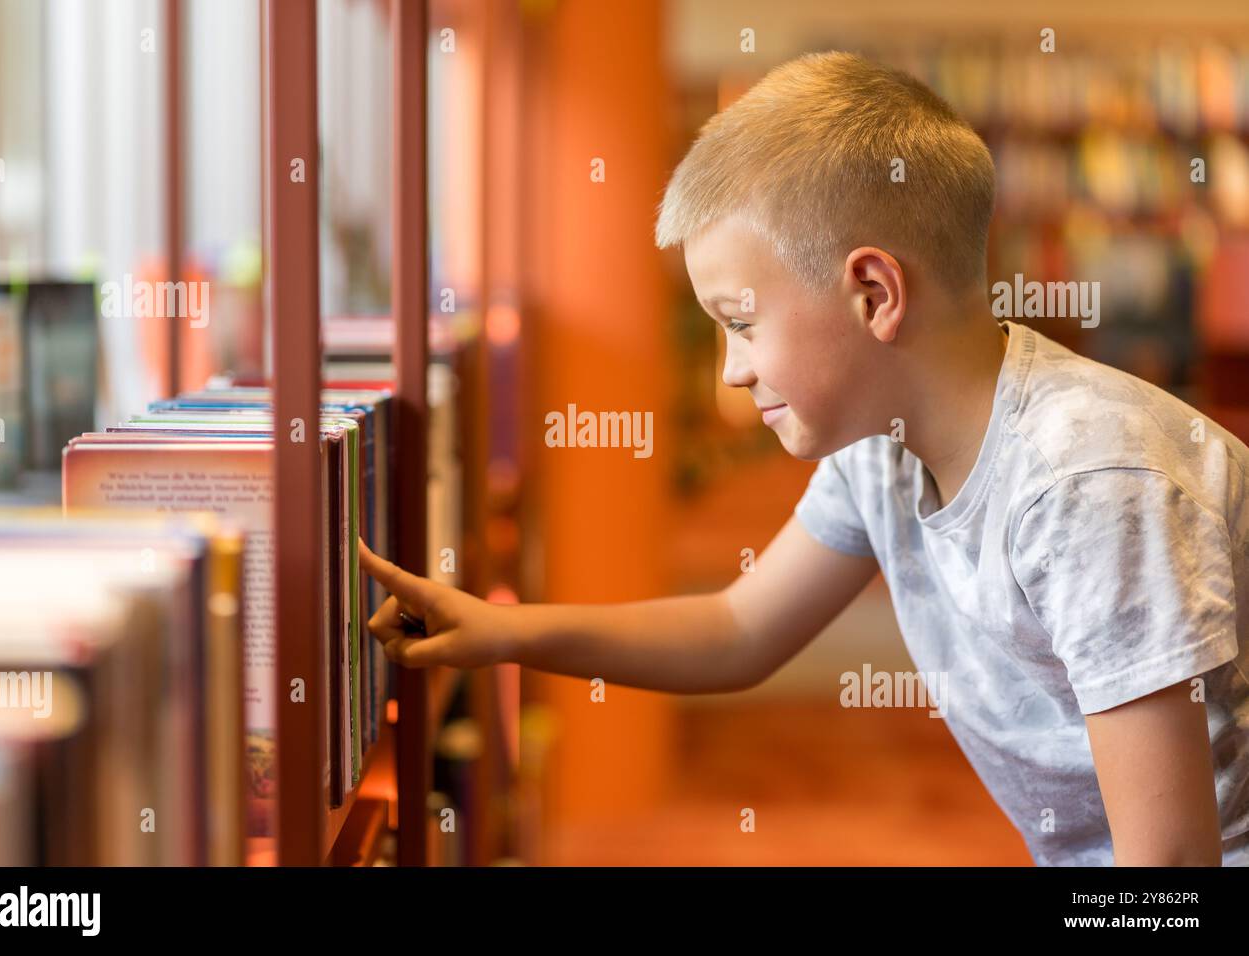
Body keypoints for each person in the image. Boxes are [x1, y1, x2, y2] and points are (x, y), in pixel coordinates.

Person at [360, 52, 1249, 867]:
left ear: (874, 293)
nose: (733, 370)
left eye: (742, 324)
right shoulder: (885, 450)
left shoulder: (1088, 483)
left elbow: (1169, 873)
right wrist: (502, 632)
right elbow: (740, 631)